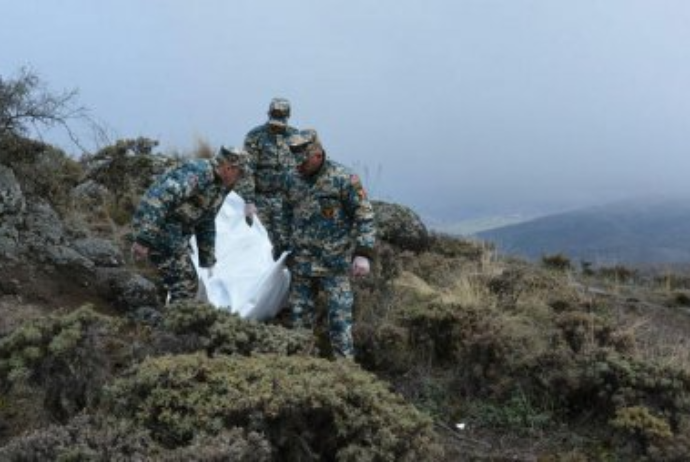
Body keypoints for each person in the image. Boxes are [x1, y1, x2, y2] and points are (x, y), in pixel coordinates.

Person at [283, 129, 376, 358]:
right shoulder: (292, 178)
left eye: (302, 161)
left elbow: (365, 215)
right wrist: (281, 246)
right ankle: (300, 375)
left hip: (335, 265)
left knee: (339, 324)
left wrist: (363, 253)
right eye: (295, 161)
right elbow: (284, 213)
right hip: (302, 265)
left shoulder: (343, 178)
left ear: (317, 154)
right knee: (298, 325)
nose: (298, 166)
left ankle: (346, 376)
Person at [131, 146, 248, 304]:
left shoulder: (220, 187)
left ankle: (173, 320)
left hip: (174, 233)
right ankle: (175, 325)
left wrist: (207, 259)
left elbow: (206, 220)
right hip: (158, 227)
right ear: (228, 168)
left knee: (185, 282)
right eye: (239, 173)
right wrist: (144, 239)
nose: (240, 178)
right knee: (185, 284)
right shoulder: (199, 173)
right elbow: (161, 199)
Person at [238, 98, 299, 257]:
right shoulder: (255, 136)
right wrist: (249, 200)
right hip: (260, 200)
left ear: (288, 116)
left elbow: (302, 169)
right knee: (259, 243)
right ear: (268, 113)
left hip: (286, 201)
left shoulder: (295, 137)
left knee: (286, 245)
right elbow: (247, 170)